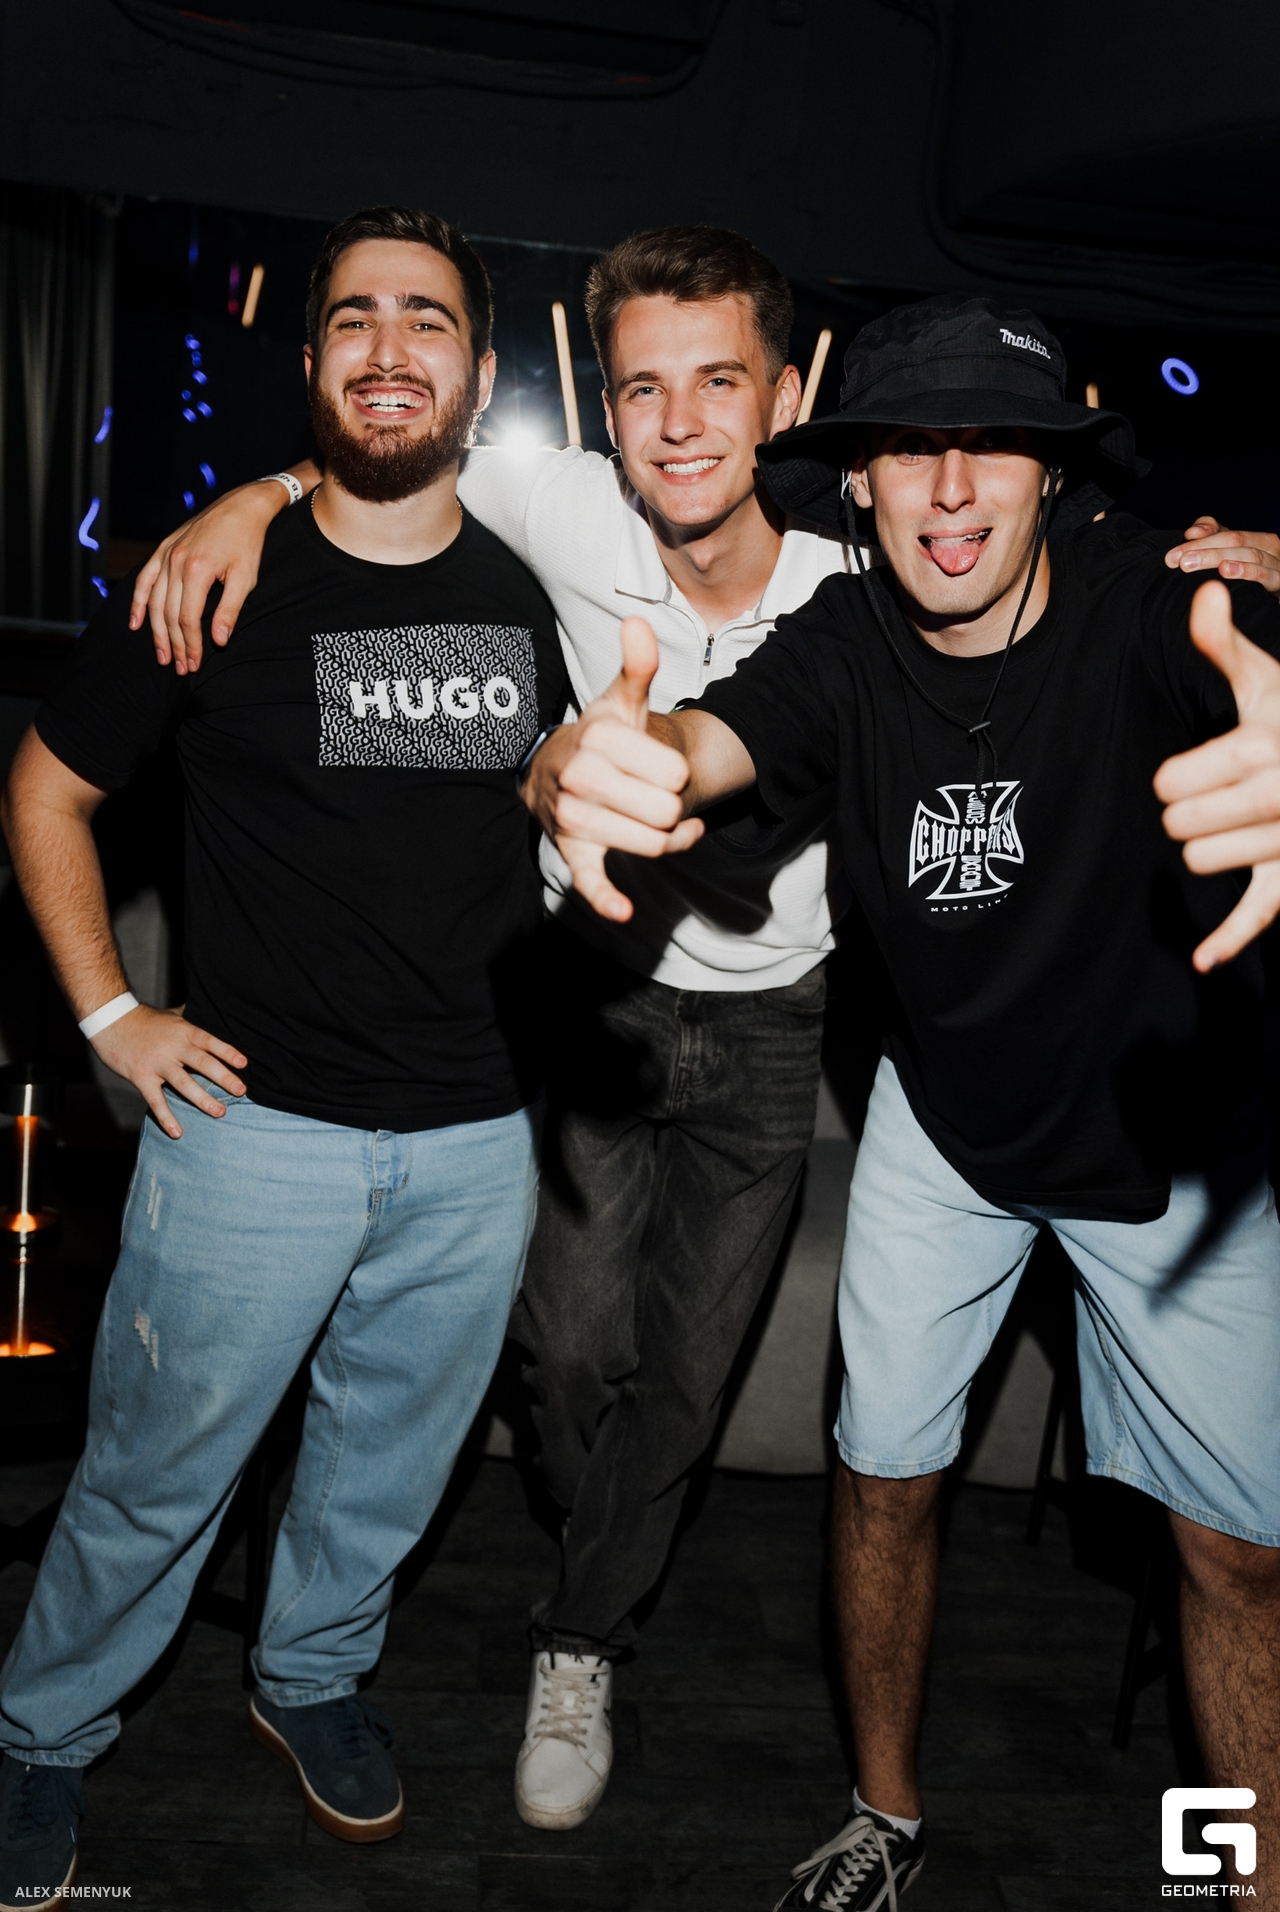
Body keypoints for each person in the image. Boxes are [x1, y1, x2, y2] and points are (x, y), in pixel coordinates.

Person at [129, 235, 1280, 1841]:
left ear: (786, 403)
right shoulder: (662, 552)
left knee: (714, 1390)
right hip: (710, 1035)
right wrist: (567, 757)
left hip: (921, 1071)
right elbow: (414, 474)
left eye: (721, 383)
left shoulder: (999, 576)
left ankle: (584, 1637)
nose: (680, 424)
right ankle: (796, 1740)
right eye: (643, 390)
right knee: (595, 1366)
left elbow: (1209, 628)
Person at [533, 295, 1280, 1906]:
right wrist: (605, 764)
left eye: (994, 445)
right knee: (882, 1485)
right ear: (856, 483)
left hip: (1171, 1144)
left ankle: (1243, 1878)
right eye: (909, 449)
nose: (951, 490)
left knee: (1237, 1559)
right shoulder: (843, 641)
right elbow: (709, 742)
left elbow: (1251, 658)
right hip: (943, 1130)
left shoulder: (1150, 602)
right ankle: (888, 1818)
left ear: (1053, 475)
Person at [0, 204, 566, 1908]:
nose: (390, 348)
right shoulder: (213, 580)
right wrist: (113, 1017)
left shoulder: (523, 599)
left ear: (477, 373)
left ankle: (310, 1678)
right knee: (152, 1476)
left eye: (427, 320)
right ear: (313, 359)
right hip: (253, 1135)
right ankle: (41, 1733)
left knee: (387, 1469)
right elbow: (44, 793)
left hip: (474, 1141)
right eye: (355, 319)